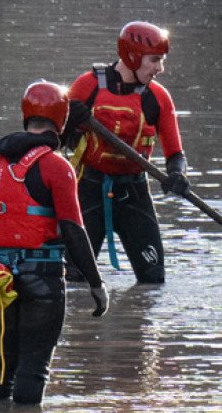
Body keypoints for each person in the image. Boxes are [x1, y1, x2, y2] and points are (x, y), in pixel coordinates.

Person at [0, 81, 109, 404]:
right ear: (62, 120)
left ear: (26, 116)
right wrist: (96, 284)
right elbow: (74, 231)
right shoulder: (56, 167)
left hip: (1, 281)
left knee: (2, 363)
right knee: (34, 369)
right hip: (44, 282)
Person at [65, 21, 189, 284]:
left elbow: (175, 154)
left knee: (153, 282)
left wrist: (177, 174)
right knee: (74, 283)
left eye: (161, 60)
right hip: (89, 190)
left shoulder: (159, 98)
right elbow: (56, 141)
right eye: (154, 60)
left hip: (134, 193)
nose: (160, 68)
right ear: (133, 56)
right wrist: (70, 123)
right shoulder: (87, 87)